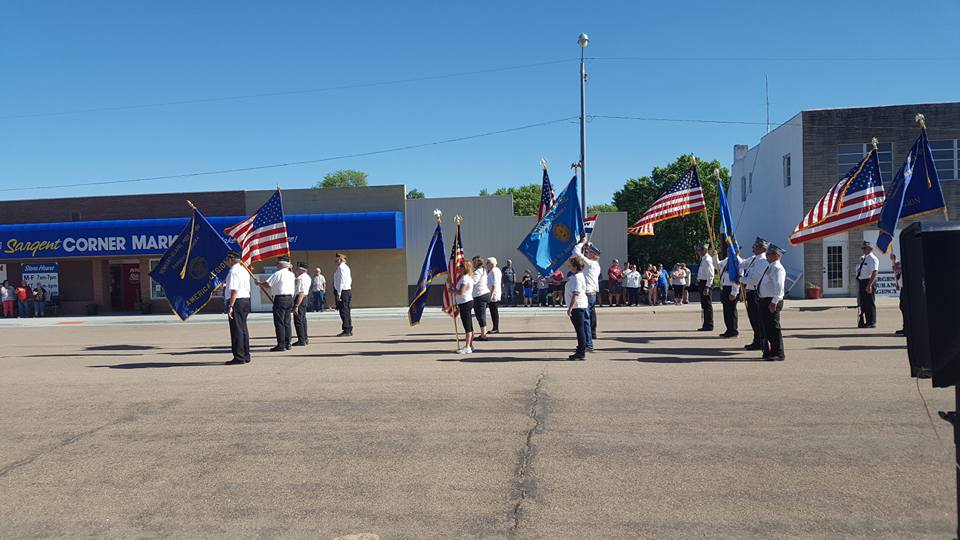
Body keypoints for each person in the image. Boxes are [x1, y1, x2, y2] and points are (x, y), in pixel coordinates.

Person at [757, 244, 787, 361]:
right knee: (767, 328)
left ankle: (778, 353)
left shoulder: (778, 268)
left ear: (776, 255)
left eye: (768, 254)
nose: (766, 256)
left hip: (772, 301)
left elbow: (779, 287)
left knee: (773, 328)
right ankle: (770, 351)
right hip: (765, 300)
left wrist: (774, 302)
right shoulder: (771, 266)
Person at [258, 257, 295, 351]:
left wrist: (259, 283)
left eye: (277, 264)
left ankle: (281, 344)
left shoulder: (278, 274)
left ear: (281, 265)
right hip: (289, 298)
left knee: (279, 322)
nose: (276, 265)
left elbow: (267, 285)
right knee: (287, 322)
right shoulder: (291, 274)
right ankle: (288, 343)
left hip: (280, 298)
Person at [740, 237, 771, 351]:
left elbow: (755, 279)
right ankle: (757, 340)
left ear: (762, 248)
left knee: (758, 320)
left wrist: (741, 279)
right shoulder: (754, 259)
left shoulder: (763, 261)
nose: (753, 248)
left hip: (756, 293)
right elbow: (741, 264)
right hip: (750, 293)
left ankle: (761, 342)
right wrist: (734, 252)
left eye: (755, 246)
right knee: (753, 318)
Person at [223, 250, 252, 365]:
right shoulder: (244, 270)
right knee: (243, 329)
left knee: (236, 330)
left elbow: (234, 290)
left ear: (231, 259)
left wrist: (230, 305)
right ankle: (246, 355)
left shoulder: (233, 271)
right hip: (245, 300)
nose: (226, 262)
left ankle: (239, 356)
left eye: (226, 259)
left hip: (237, 301)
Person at [574, 238, 601, 352]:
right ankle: (587, 342)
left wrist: (582, 243)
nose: (586, 252)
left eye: (588, 252)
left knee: (585, 320)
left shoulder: (590, 264)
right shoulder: (596, 265)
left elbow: (575, 252)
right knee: (587, 319)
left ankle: (588, 344)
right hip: (592, 294)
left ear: (593, 254)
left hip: (588, 294)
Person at [448, 259, 475, 354]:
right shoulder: (467, 277)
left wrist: (452, 291)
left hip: (465, 302)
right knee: (469, 324)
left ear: (465, 268)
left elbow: (461, 292)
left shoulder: (465, 278)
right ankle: (470, 345)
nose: (459, 268)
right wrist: (452, 286)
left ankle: (467, 347)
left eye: (461, 266)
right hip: (466, 302)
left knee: (467, 325)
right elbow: (459, 289)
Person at [565, 255, 589, 360]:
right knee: (580, 329)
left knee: (580, 330)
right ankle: (580, 349)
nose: (570, 266)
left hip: (577, 307)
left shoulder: (577, 277)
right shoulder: (576, 277)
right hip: (579, 306)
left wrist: (570, 308)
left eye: (571, 265)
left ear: (575, 266)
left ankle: (581, 352)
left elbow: (576, 294)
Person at [718, 248, 743, 338]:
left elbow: (738, 278)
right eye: (728, 251)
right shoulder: (727, 260)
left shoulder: (738, 261)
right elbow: (717, 265)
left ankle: (733, 330)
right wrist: (715, 256)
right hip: (725, 287)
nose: (728, 252)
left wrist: (734, 292)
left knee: (731, 310)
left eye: (730, 250)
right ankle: (729, 329)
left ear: (737, 251)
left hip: (731, 288)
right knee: (726, 310)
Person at [856, 240, 879, 328]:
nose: (864, 250)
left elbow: (874, 272)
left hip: (869, 281)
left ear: (870, 249)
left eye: (865, 248)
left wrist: (869, 285)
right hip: (863, 282)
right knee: (864, 303)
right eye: (863, 248)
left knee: (870, 302)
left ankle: (872, 321)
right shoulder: (865, 258)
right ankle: (867, 321)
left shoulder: (873, 259)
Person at [695, 243, 716, 331]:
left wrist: (707, 286)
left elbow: (711, 274)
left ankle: (709, 325)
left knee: (707, 305)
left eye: (700, 250)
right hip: (702, 283)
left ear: (705, 250)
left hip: (705, 283)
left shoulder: (707, 259)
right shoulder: (703, 259)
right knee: (704, 305)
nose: (698, 252)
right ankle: (706, 324)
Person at [471, 256, 491, 340]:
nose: (472, 263)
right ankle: (483, 333)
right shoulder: (483, 270)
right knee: (480, 314)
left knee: (480, 315)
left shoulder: (477, 272)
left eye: (474, 262)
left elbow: (473, 282)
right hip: (484, 293)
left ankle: (483, 335)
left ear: (477, 263)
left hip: (480, 295)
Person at [333, 252, 353, 336]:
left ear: (340, 259)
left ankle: (347, 329)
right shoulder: (343, 267)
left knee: (344, 311)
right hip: (345, 291)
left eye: (337, 259)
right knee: (346, 310)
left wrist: (339, 292)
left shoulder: (342, 268)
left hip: (343, 291)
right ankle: (348, 328)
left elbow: (342, 281)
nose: (335, 260)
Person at [292, 262, 311, 346]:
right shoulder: (307, 277)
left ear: (301, 270)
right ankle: (305, 338)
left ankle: (301, 339)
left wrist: (296, 305)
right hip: (304, 299)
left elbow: (301, 292)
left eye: (297, 269)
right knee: (303, 319)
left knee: (298, 320)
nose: (296, 270)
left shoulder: (301, 278)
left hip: (300, 299)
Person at [486, 257, 502, 334]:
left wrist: (491, 295)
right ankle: (495, 327)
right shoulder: (496, 270)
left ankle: (495, 328)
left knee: (494, 311)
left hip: (493, 294)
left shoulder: (493, 271)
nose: (486, 265)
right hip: (494, 293)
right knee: (493, 311)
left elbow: (494, 284)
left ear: (491, 264)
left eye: (487, 263)